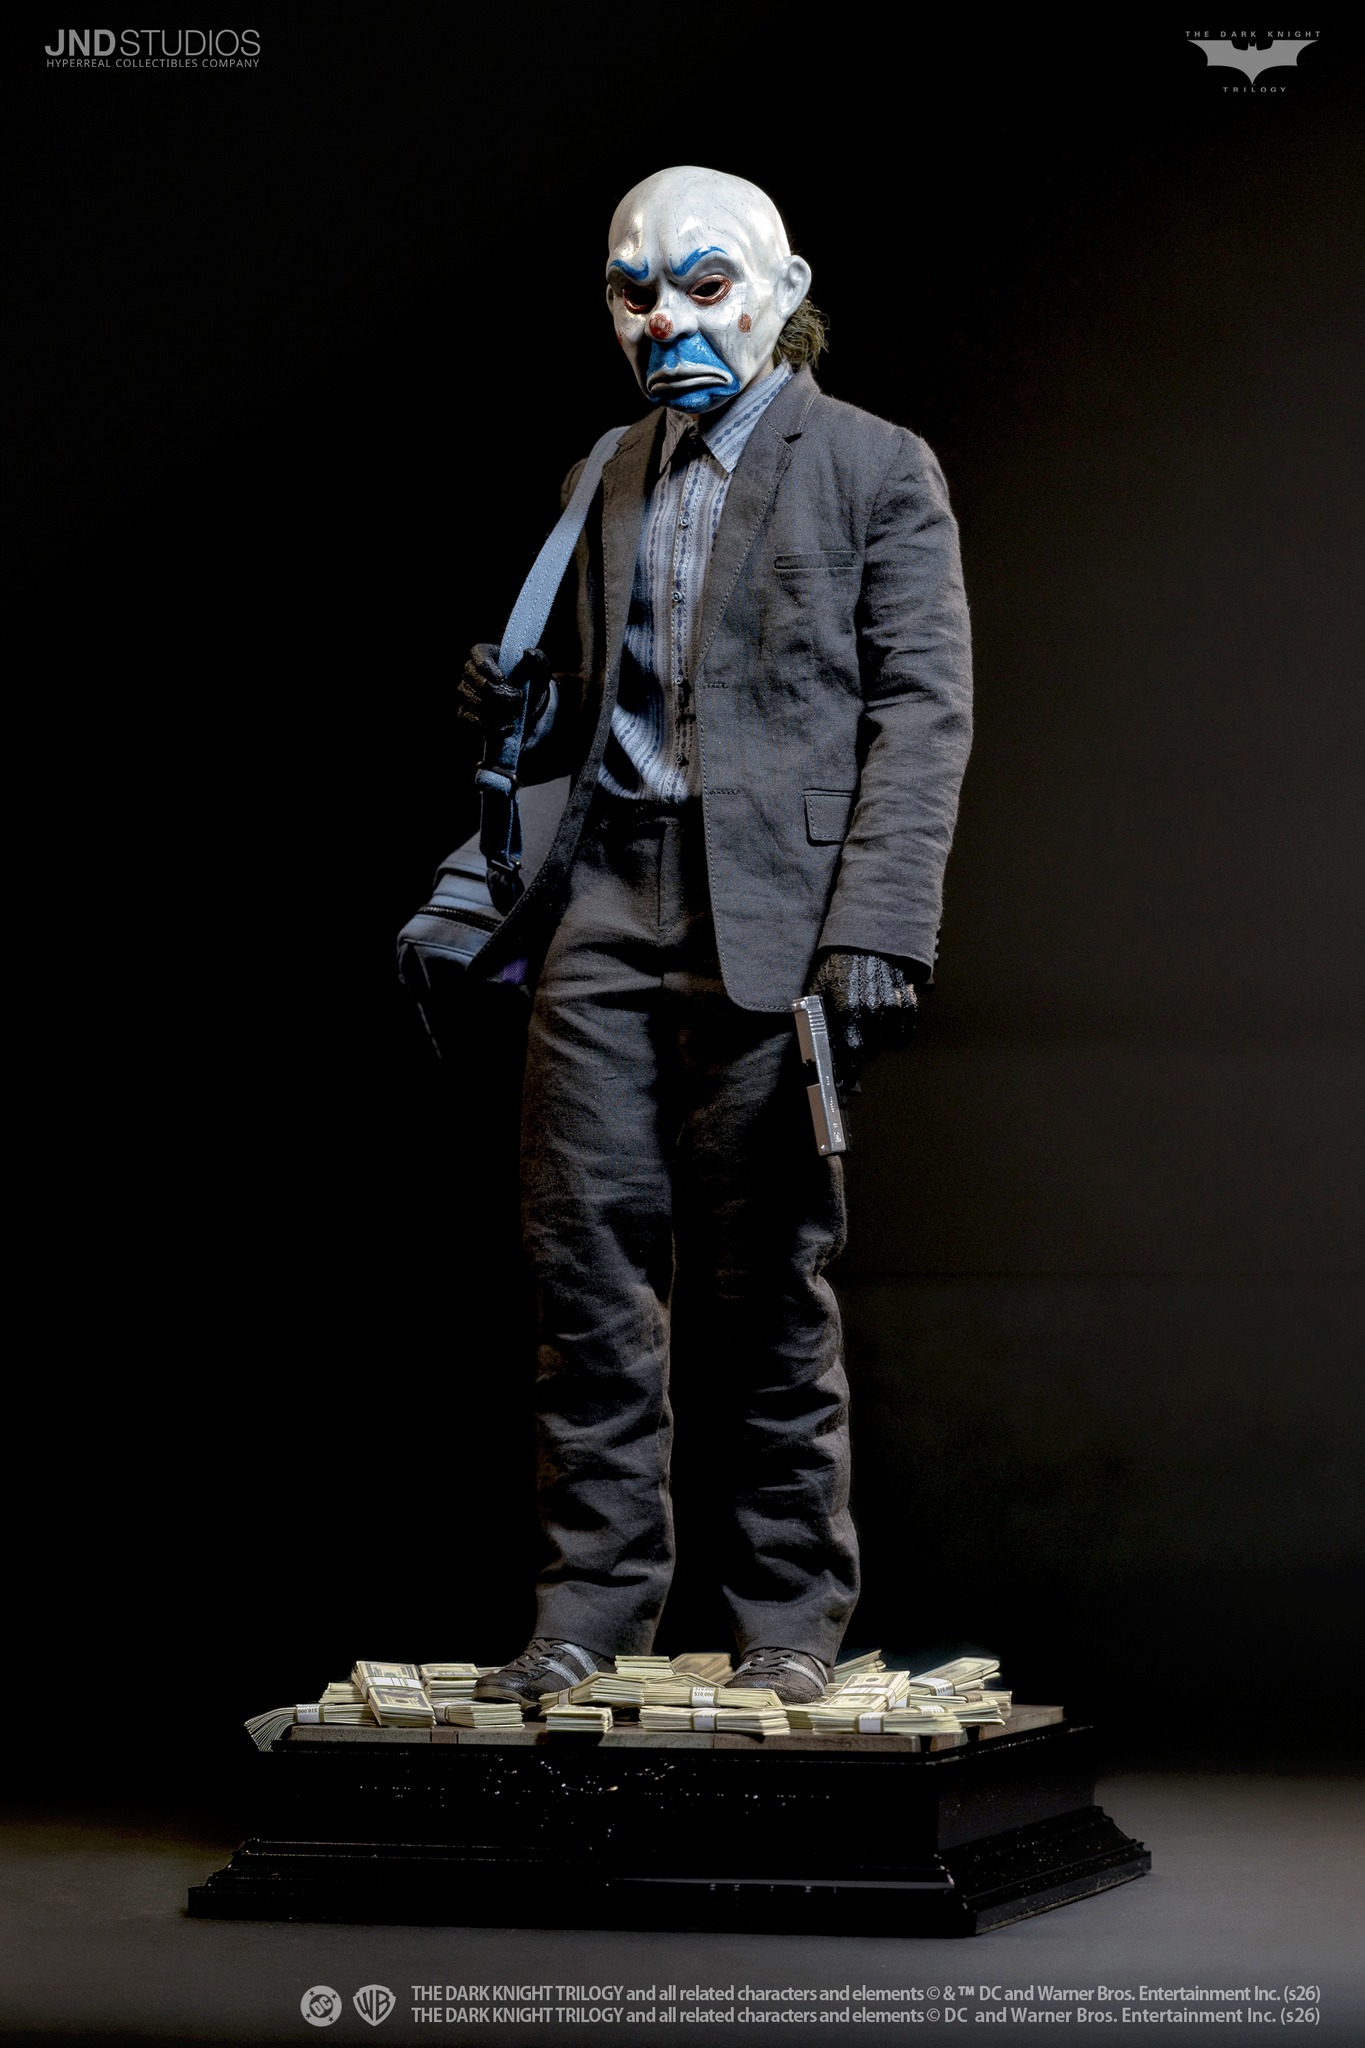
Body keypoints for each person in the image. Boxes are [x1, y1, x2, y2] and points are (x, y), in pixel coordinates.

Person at [459, 166, 973, 1709]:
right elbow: (592, 698)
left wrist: (876, 924)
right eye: (634, 291)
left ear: (780, 287)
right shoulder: (604, 472)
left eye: (703, 283)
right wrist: (508, 704)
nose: (666, 320)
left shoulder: (871, 465)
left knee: (766, 1285)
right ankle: (585, 1612)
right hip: (604, 899)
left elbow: (920, 710)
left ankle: (787, 1622)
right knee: (582, 1270)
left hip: (776, 914)